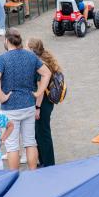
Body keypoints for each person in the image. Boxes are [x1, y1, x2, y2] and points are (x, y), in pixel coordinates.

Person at [0, 29, 51, 170]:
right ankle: (33, 173)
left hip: (10, 107)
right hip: (28, 105)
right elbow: (46, 73)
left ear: (6, 41)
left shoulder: (2, 59)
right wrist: (38, 92)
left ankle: (14, 177)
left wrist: (1, 97)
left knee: (12, 146)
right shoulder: (30, 57)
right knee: (30, 142)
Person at [26, 37, 60, 167]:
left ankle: (48, 164)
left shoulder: (38, 64)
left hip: (42, 102)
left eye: (26, 47)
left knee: (42, 134)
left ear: (31, 49)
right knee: (41, 132)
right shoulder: (43, 59)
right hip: (46, 101)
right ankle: (45, 161)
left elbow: (41, 87)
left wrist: (37, 107)